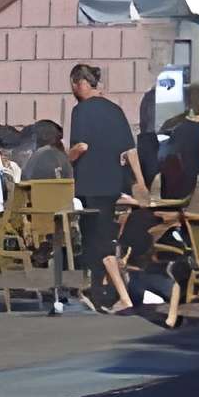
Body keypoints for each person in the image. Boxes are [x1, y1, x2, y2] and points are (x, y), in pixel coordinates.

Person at [65, 63, 139, 313]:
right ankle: (99, 290)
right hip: (114, 184)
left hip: (89, 183)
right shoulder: (116, 110)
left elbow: (81, 146)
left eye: (73, 84)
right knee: (104, 235)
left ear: (80, 83)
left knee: (95, 240)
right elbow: (129, 151)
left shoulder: (81, 111)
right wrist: (138, 184)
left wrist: (67, 158)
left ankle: (112, 294)